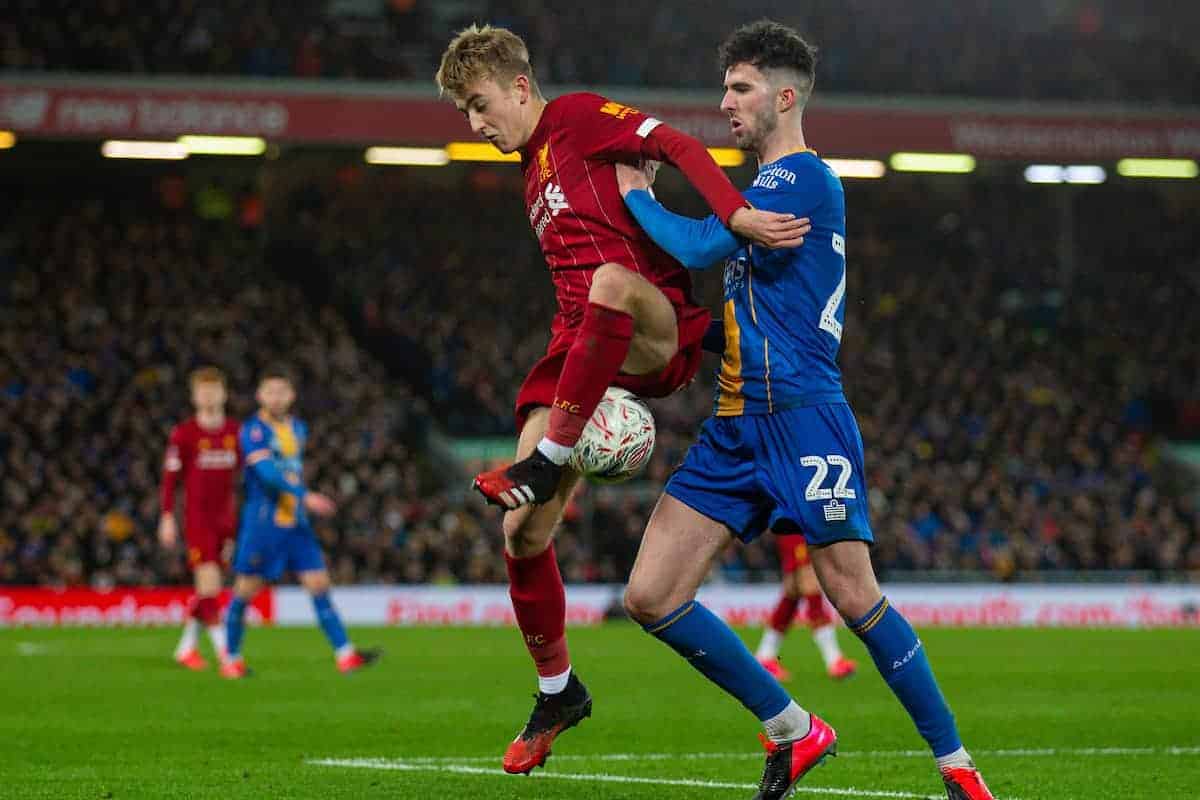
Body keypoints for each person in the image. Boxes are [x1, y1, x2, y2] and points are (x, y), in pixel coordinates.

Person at [616, 20, 995, 800]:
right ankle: (794, 727)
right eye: (725, 87)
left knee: (852, 593)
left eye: (741, 88)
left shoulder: (803, 179)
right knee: (650, 595)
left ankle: (959, 770)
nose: (725, 103)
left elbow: (692, 246)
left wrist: (633, 194)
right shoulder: (758, 194)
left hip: (802, 416)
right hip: (734, 423)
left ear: (784, 97)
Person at [434, 24, 810, 775]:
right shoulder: (530, 172)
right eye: (463, 114)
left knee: (608, 284)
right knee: (522, 538)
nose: (475, 125)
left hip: (648, 323)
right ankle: (559, 690)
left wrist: (732, 215)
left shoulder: (574, 117)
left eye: (479, 105)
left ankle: (547, 459)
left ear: (517, 86)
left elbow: (673, 144)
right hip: (581, 352)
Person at [219, 368, 379, 679]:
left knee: (319, 584)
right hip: (264, 524)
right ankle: (231, 659)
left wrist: (300, 501)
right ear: (259, 396)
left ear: (291, 396)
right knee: (245, 591)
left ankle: (345, 655)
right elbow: (266, 473)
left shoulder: (298, 428)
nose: (276, 397)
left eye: (282, 391)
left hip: (296, 523)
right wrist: (304, 495)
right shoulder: (253, 430)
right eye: (270, 391)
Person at [158, 367, 240, 670]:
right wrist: (167, 516)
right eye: (202, 391)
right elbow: (170, 480)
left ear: (224, 394)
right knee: (210, 584)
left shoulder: (235, 432)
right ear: (193, 397)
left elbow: (248, 475)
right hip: (198, 520)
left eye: (213, 389)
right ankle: (226, 653)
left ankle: (186, 648)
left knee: (207, 589)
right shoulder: (185, 434)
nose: (208, 395)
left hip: (226, 521)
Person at [755, 526, 857, 682]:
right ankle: (834, 659)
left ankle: (765, 657)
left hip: (796, 524)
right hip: (796, 525)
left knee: (793, 590)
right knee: (809, 584)